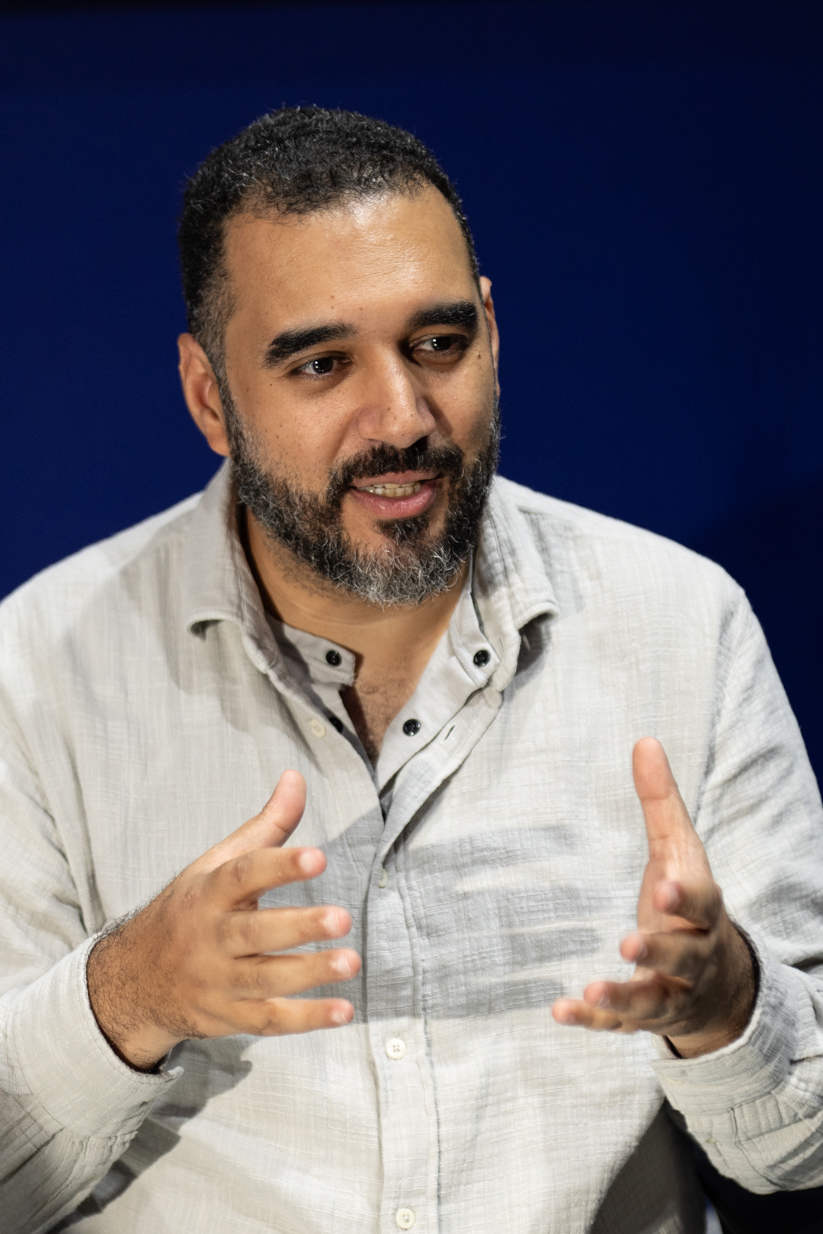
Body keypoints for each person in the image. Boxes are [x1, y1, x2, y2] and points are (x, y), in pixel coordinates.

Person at [1, 107, 822, 1234]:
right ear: (208, 398)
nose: (399, 418)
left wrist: (726, 1006)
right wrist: (130, 994)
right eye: (321, 364)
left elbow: (802, 1151)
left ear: (492, 332)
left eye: (437, 344)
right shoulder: (38, 671)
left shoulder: (683, 625)